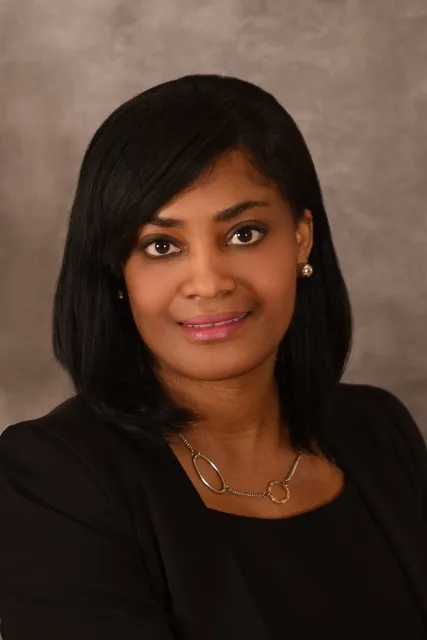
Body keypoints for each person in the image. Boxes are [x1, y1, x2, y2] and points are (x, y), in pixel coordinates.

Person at [0, 74, 426, 640]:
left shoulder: (380, 431)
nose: (208, 282)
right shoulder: (53, 482)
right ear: (117, 273)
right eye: (162, 246)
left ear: (301, 238)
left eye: (244, 234)